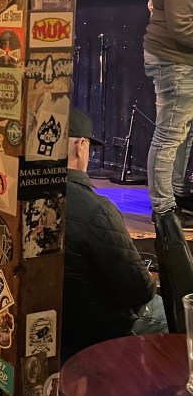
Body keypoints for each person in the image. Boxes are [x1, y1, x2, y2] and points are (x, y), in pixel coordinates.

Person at [62, 106, 165, 360]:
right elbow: (141, 292)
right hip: (102, 329)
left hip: (63, 328)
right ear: (81, 146)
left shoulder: (27, 198)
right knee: (175, 310)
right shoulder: (97, 211)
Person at [144, 0, 193, 224]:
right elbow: (182, 27)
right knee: (170, 134)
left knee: (184, 132)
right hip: (174, 60)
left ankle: (175, 194)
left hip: (181, 59)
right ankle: (164, 209)